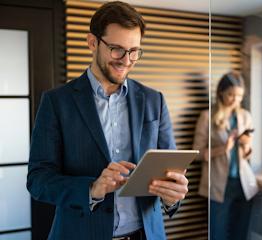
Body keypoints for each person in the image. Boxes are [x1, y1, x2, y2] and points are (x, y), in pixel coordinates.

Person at [27, 2, 188, 240]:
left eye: (134, 51)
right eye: (117, 49)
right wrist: (92, 189)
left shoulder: (155, 100)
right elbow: (38, 180)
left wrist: (173, 196)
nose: (126, 60)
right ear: (92, 42)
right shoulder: (56, 102)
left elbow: (169, 171)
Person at [193, 72, 256, 240]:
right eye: (231, 94)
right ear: (221, 92)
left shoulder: (245, 116)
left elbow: (248, 155)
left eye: (239, 96)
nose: (235, 100)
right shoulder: (207, 117)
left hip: (243, 185)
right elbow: (197, 153)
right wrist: (223, 149)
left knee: (241, 234)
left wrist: (247, 145)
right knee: (217, 234)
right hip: (219, 185)